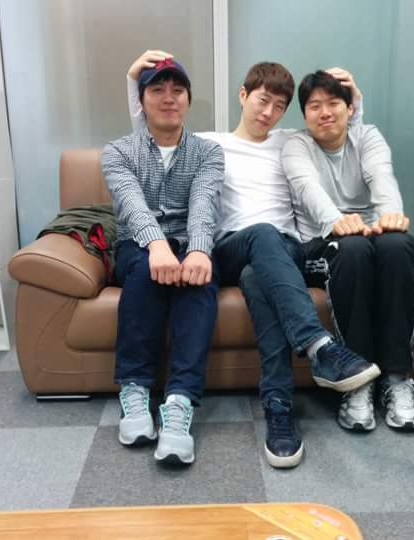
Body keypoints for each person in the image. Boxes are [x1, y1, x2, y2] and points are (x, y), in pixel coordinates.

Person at [126, 51, 380, 469]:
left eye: (279, 107)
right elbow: (150, 138)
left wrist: (355, 99)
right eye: (263, 101)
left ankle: (279, 408)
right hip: (228, 246)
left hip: (284, 251)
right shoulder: (210, 144)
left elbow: (339, 131)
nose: (269, 113)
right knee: (260, 234)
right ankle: (318, 345)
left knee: (258, 275)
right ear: (243, 95)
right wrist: (132, 80)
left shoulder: (291, 143)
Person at [281, 70, 414, 433]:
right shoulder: (297, 145)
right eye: (315, 106)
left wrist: (390, 214)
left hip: (369, 233)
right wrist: (336, 220)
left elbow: (381, 176)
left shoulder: (368, 136)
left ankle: (397, 378)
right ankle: (358, 379)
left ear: (350, 108)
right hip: (321, 240)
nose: (325, 112)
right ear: (304, 115)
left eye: (333, 103)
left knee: (399, 246)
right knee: (354, 249)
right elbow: (308, 189)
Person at [102, 58, 225, 465]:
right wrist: (156, 245)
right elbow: (132, 205)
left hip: (189, 240)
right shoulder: (118, 152)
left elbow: (204, 203)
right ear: (141, 102)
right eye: (157, 90)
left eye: (177, 90)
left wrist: (199, 250)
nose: (168, 98)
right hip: (137, 245)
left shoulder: (208, 152)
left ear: (188, 99)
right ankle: (134, 388)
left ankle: (179, 402)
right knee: (143, 271)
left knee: (199, 278)